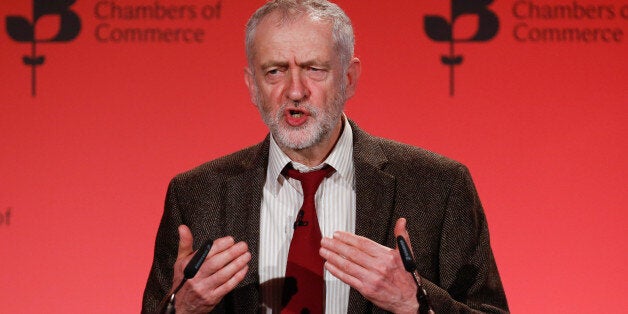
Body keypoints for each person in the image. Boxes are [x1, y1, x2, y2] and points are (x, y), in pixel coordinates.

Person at [142, 0, 509, 313]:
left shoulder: (439, 187)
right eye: (275, 72)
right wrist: (181, 307)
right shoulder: (196, 194)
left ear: (349, 78)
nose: (295, 90)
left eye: (314, 69)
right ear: (252, 86)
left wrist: (415, 302)